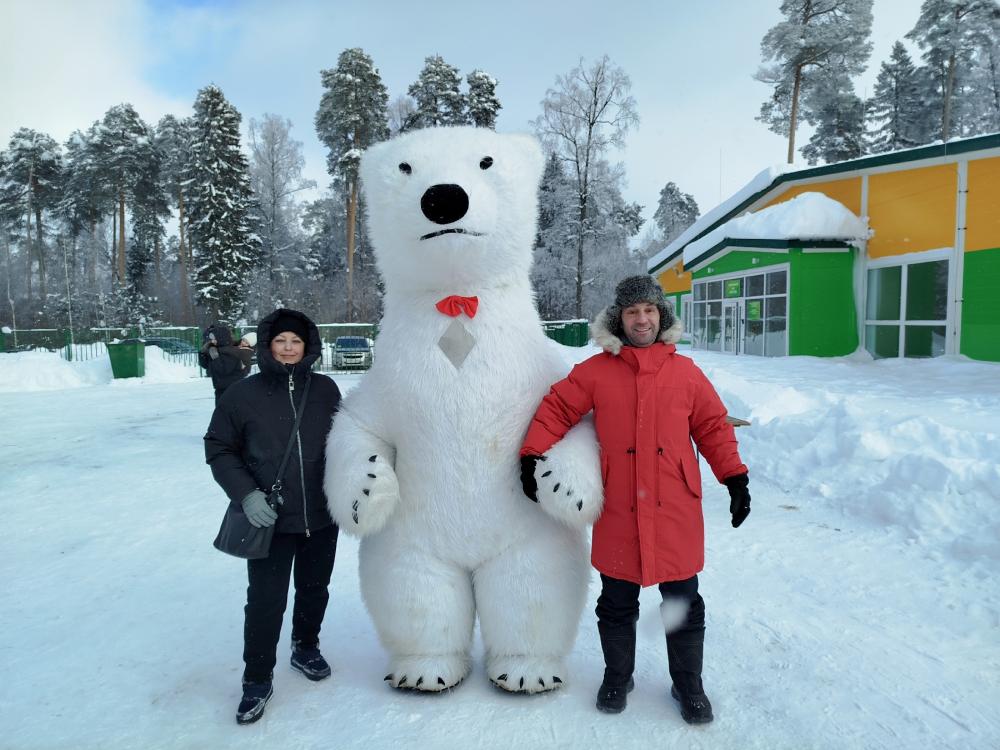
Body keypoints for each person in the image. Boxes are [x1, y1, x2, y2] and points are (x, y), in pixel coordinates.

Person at [519, 275, 751, 724]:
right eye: (631, 312)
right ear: (619, 319)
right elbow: (557, 408)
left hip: (674, 508)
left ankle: (688, 683)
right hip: (620, 507)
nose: (641, 319)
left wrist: (734, 478)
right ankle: (616, 676)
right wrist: (531, 455)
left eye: (648, 310)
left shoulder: (685, 373)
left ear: (660, 316)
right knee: (616, 600)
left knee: (682, 599)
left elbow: (712, 426)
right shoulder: (595, 372)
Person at [204, 308, 342, 725]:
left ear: (308, 346)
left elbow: (348, 439)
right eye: (281, 341)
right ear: (267, 345)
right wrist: (246, 495)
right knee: (265, 600)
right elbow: (218, 447)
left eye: (295, 341)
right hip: (270, 519)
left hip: (320, 514)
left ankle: (305, 646)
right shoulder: (242, 395)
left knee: (315, 588)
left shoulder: (325, 390)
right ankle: (257, 678)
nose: (288, 348)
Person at [199, 324, 252, 404]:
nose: (213, 341)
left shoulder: (230, 352)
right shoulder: (216, 350)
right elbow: (205, 365)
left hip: (231, 390)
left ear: (221, 338)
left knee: (228, 413)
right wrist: (203, 352)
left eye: (214, 339)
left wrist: (215, 357)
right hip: (221, 389)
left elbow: (223, 370)